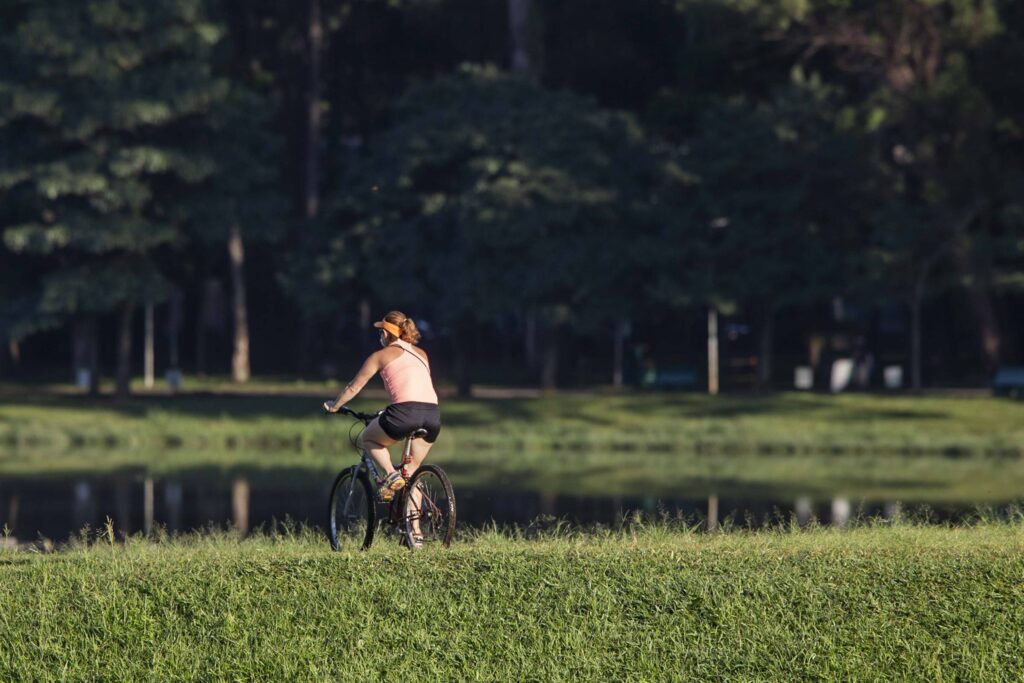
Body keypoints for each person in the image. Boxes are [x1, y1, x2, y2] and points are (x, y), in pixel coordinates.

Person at [323, 311, 441, 502]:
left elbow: (353, 387)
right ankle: (416, 531)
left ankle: (390, 474)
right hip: (433, 415)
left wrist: (335, 405)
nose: (380, 336)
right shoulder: (422, 354)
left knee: (368, 438)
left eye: (380, 332)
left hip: (405, 412)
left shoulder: (381, 355)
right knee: (411, 474)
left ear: (386, 333)